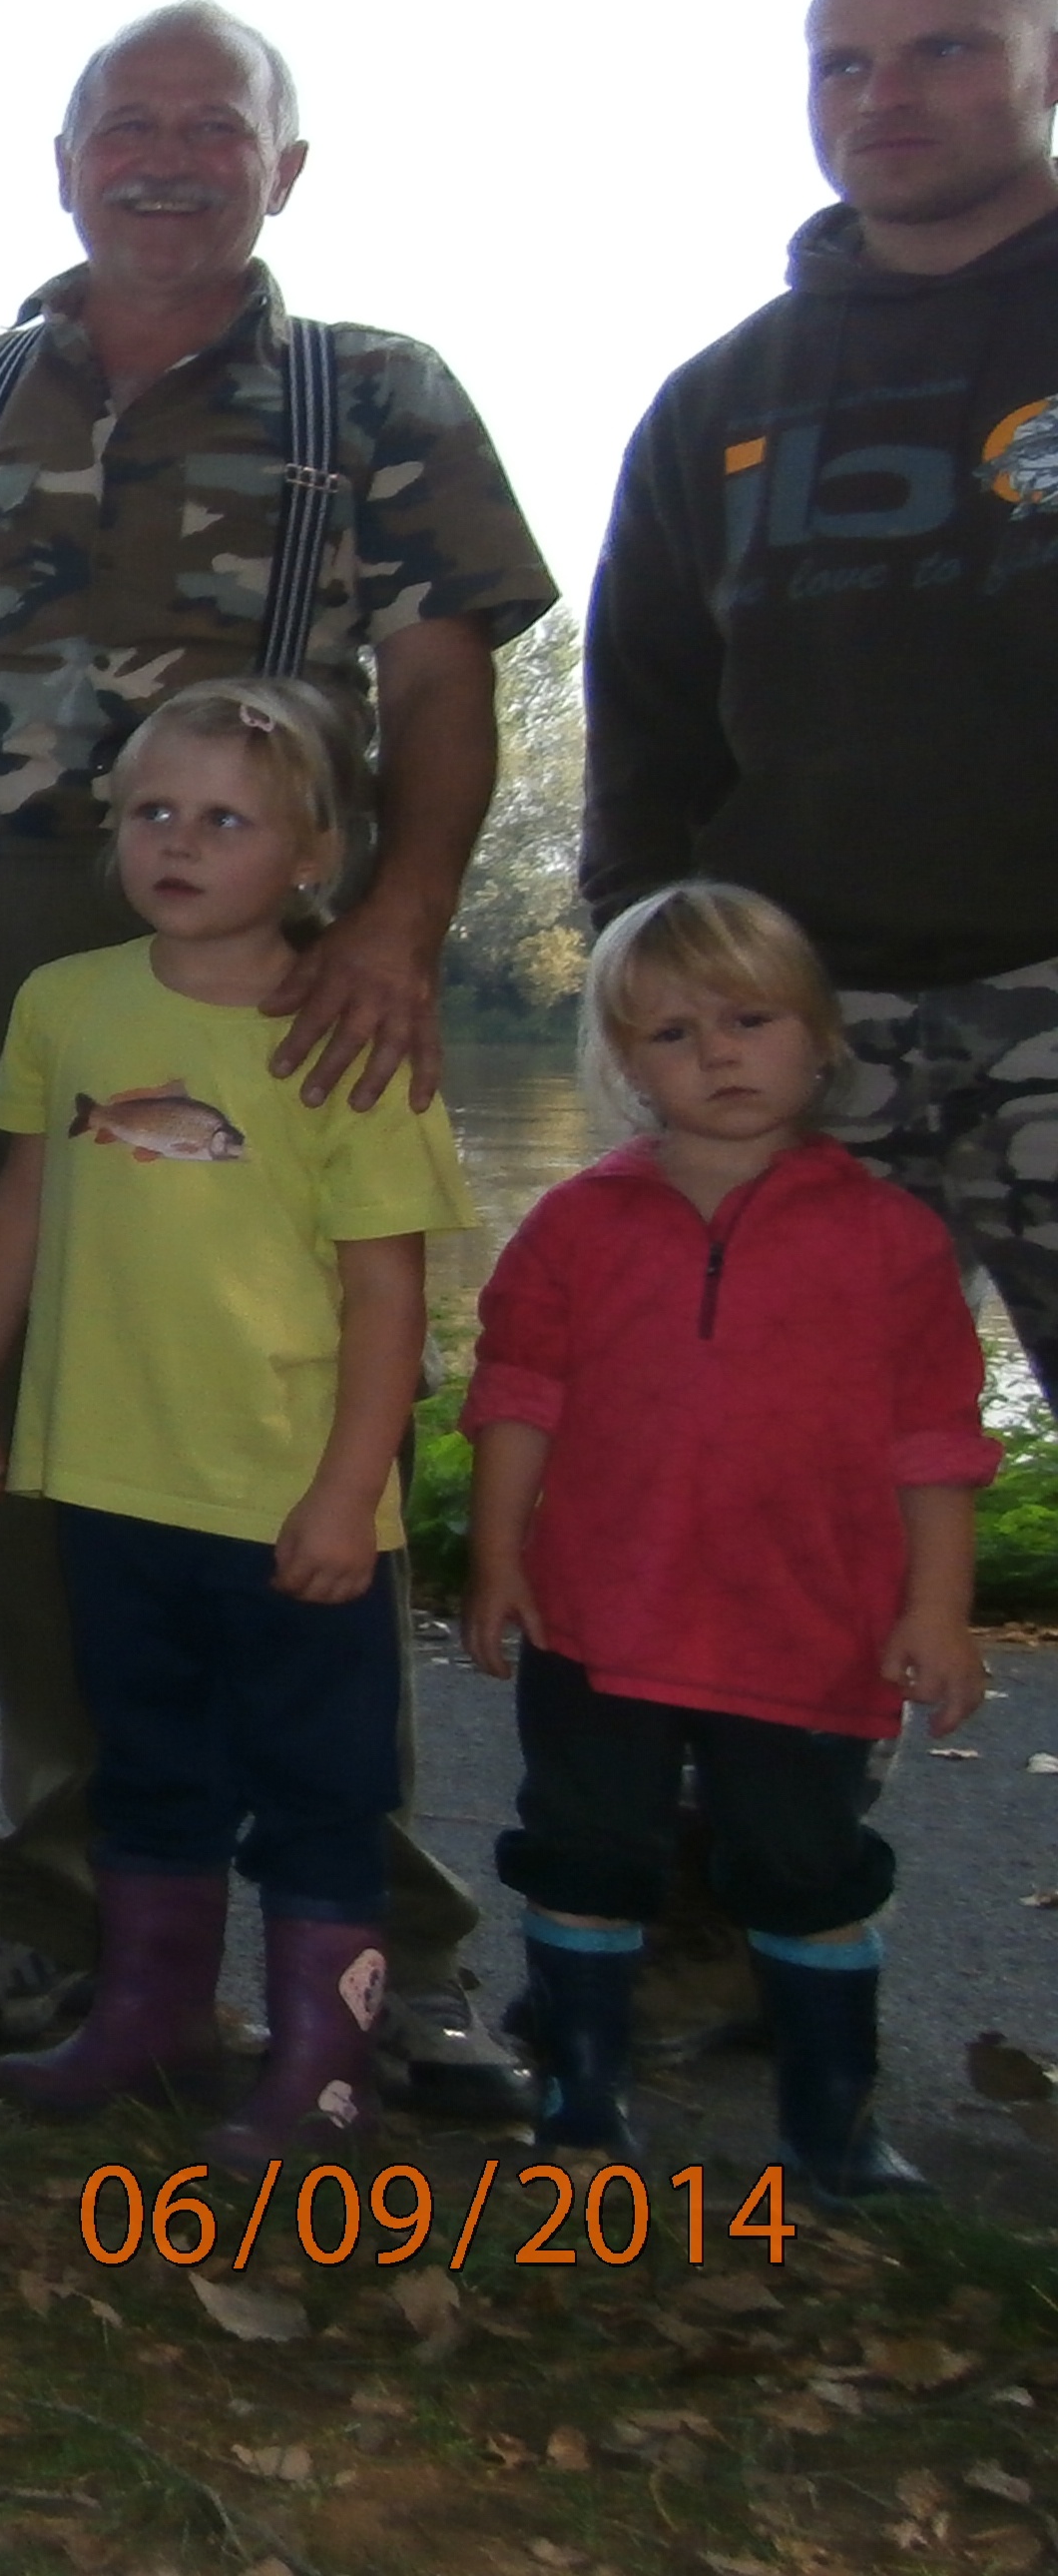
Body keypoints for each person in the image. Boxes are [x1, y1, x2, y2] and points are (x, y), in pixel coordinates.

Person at [0, 0, 556, 2101]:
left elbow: (440, 688)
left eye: (209, 126)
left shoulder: (375, 392)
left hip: (299, 938)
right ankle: (64, 1902)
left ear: (280, 168)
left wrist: (396, 926)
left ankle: (378, 1937)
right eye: (121, 124)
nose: (161, 156)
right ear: (61, 164)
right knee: (41, 1403)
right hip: (23, 917)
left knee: (309, 1385)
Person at [0, 681, 477, 2162]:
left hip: (287, 1499)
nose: (178, 843)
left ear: (314, 856)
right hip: (108, 1477)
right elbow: (23, 1200)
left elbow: (388, 1295)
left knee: (320, 1790)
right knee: (147, 1764)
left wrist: (348, 1492)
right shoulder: (69, 1002)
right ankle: (151, 2020)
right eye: (153, 813)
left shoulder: (353, 1032)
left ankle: (326, 2064)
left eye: (226, 820)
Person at [584, 0, 1058, 1420]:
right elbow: (646, 728)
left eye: (943, 48)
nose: (883, 95)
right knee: (793, 1465)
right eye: (842, 63)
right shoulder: (719, 399)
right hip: (802, 1032)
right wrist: (655, 985)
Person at [459, 882, 995, 2203]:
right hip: (601, 1618)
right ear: (623, 1063)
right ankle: (581, 2102)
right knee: (584, 1854)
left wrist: (937, 1608)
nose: (717, 1054)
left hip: (810, 1629)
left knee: (810, 1870)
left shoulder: (891, 1239)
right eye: (673, 1033)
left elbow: (936, 1441)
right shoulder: (574, 1225)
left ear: (821, 1038)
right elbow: (518, 1395)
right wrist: (498, 1555)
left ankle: (833, 2126)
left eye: (750, 1020)